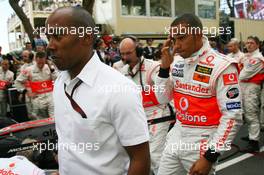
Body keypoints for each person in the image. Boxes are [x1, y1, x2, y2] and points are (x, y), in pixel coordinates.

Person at [46, 7, 150, 175]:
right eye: (48, 37)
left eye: (58, 36)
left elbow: (140, 160)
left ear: (86, 37)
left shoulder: (120, 90)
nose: (50, 45)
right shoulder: (59, 83)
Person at [155, 14, 242, 175]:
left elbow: (232, 117)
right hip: (176, 137)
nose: (177, 45)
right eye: (174, 39)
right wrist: (164, 69)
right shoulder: (177, 61)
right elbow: (162, 98)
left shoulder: (222, 65)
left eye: (182, 38)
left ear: (197, 35)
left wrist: (209, 157)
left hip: (202, 144)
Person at [118, 36, 173, 174]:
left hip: (158, 115)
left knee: (154, 156)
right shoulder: (122, 71)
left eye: (128, 53)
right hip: (138, 118)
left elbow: (164, 92)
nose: (125, 57)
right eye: (122, 54)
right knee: (139, 157)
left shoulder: (152, 67)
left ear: (138, 50)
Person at [14, 51, 57, 120]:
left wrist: (51, 69)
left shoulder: (49, 68)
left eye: (43, 63)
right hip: (37, 100)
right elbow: (17, 81)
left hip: (50, 98)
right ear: (36, 59)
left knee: (54, 120)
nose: (41, 65)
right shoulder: (29, 70)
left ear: (45, 60)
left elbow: (57, 78)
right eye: (39, 62)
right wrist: (25, 91)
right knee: (40, 121)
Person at [239, 36, 264, 152]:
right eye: (247, 42)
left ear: (257, 45)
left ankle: (254, 142)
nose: (248, 45)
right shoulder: (247, 56)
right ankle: (251, 135)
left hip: (251, 87)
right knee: (246, 113)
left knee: (251, 113)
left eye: (252, 43)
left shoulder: (257, 58)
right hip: (244, 86)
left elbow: (243, 75)